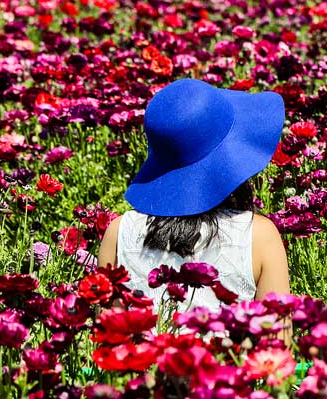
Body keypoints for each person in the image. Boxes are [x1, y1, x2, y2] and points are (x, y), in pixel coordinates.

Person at [98, 77, 290, 322]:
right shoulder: (260, 236)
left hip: (144, 361)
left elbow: (108, 340)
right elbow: (277, 345)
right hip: (230, 359)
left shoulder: (119, 233)